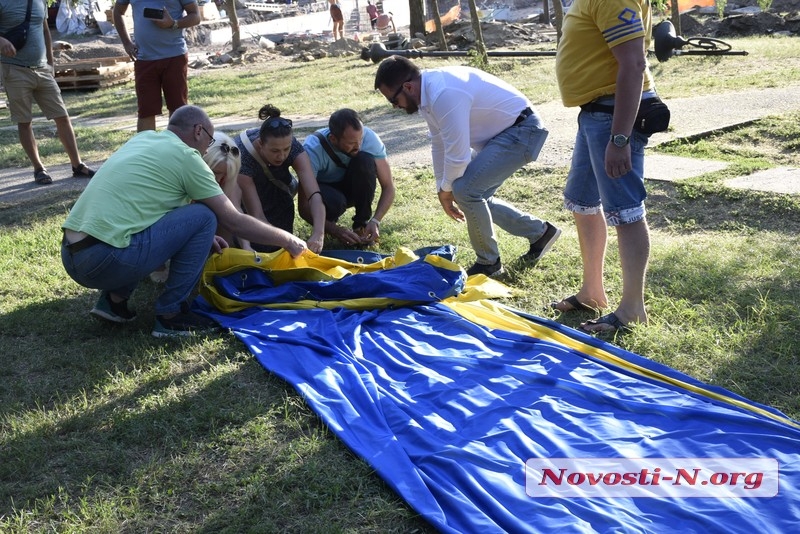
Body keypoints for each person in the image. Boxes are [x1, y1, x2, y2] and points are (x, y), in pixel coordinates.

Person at [61, 105, 307, 338]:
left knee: (157, 223)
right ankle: (171, 315)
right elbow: (234, 220)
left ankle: (114, 302)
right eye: (209, 141)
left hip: (72, 253)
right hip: (104, 260)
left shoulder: (143, 139)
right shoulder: (189, 158)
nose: (207, 148)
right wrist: (287, 239)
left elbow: (149, 208)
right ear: (198, 131)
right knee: (204, 217)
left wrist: (192, 237)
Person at [374, 55, 561, 277]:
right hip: (505, 133)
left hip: (524, 130)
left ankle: (489, 263)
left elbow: (458, 157)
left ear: (408, 87)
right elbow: (439, 143)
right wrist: (440, 187)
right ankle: (541, 234)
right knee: (471, 194)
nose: (395, 106)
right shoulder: (426, 94)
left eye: (393, 100)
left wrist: (446, 191)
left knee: (466, 191)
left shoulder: (443, 94)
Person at [553, 0, 655, 333]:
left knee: (625, 212)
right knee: (582, 202)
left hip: (613, 117)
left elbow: (635, 63)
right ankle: (593, 292)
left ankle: (631, 311)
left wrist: (621, 138)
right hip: (595, 113)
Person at [0, 0, 95, 185]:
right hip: (14, 69)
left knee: (62, 116)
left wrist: (51, 64)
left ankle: (77, 165)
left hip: (43, 69)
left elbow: (45, 31)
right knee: (24, 121)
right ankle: (39, 168)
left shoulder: (39, 1)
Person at [234, 104, 326, 254]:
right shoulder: (243, 156)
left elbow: (314, 194)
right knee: (266, 247)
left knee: (280, 246)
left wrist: (319, 233)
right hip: (247, 199)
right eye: (275, 151)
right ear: (260, 144)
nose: (282, 156)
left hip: (276, 189)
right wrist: (288, 241)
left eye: (286, 149)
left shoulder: (293, 146)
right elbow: (256, 215)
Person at [302, 108, 395, 247]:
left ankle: (361, 226)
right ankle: (325, 224)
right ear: (333, 139)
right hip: (324, 193)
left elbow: (389, 187)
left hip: (352, 187)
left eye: (360, 140)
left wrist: (375, 221)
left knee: (364, 160)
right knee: (335, 200)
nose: (358, 146)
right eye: (351, 143)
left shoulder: (370, 138)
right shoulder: (313, 149)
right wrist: (335, 230)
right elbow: (304, 207)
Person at [113, 0, 200, 132]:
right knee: (146, 111)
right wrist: (126, 43)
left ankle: (175, 150)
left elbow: (195, 16)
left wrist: (174, 23)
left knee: (178, 110)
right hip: (144, 59)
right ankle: (146, 151)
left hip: (174, 57)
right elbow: (118, 12)